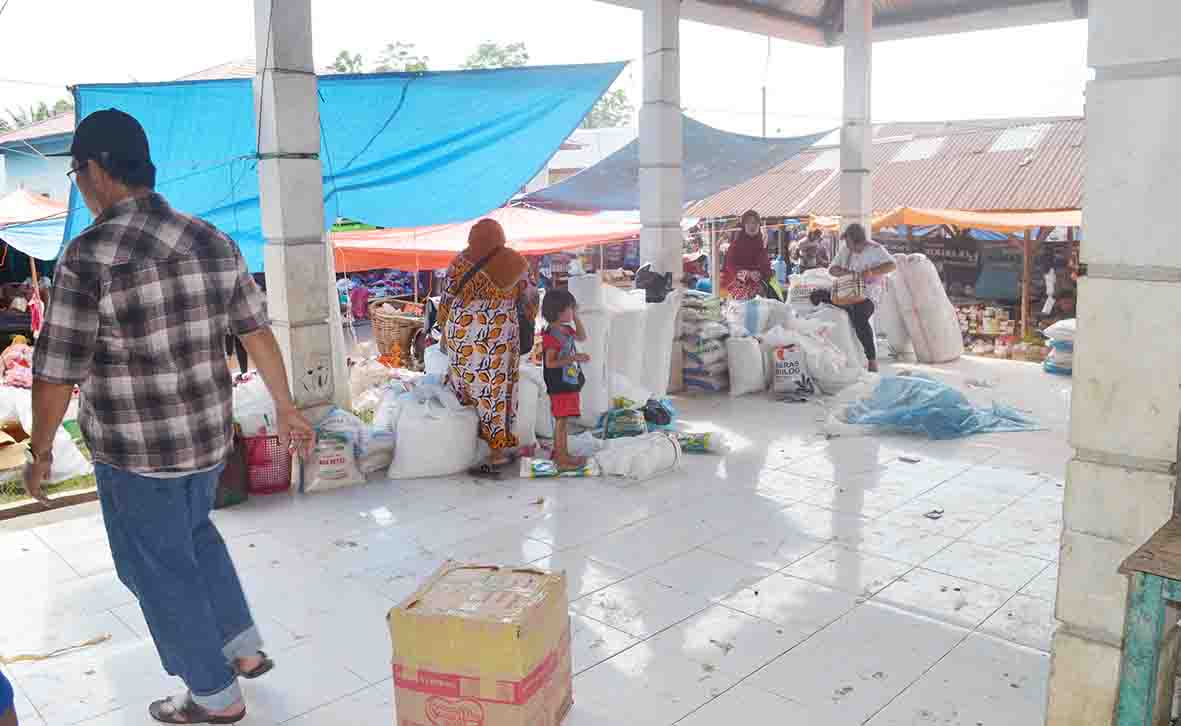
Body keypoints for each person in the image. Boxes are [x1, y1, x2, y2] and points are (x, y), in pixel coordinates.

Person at [25, 109, 315, 725]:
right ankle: (240, 649)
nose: (79, 183)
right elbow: (256, 331)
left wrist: (42, 449)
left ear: (98, 169)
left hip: (137, 455)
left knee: (154, 568)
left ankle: (212, 694)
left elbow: (55, 372)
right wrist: (286, 405)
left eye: (76, 171)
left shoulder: (89, 257)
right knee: (193, 536)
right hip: (208, 439)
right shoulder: (210, 239)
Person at [438, 218, 537, 478]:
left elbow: (446, 301)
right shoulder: (515, 262)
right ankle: (496, 451)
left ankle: (466, 447)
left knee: (466, 387)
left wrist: (446, 333)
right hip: (496, 336)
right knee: (495, 391)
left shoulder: (458, 263)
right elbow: (530, 299)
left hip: (462, 334)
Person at [829, 222, 897, 373]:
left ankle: (871, 360)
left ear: (857, 240)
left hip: (869, 295)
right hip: (847, 292)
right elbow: (832, 269)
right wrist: (846, 272)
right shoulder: (845, 250)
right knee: (818, 296)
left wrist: (872, 272)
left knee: (859, 316)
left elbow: (892, 265)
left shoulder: (875, 249)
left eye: (848, 241)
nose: (846, 245)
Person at [540, 289, 588, 470]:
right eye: (570, 309)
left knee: (564, 420)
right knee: (561, 421)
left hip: (567, 381)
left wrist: (576, 317)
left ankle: (564, 454)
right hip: (558, 383)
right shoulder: (551, 335)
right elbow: (550, 363)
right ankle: (561, 459)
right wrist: (574, 359)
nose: (572, 311)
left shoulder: (566, 330)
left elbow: (582, 337)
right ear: (558, 311)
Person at [721, 209, 772, 301]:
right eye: (749, 223)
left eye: (755, 223)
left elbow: (766, 267)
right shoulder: (736, 246)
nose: (752, 226)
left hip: (758, 287)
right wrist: (748, 274)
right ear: (744, 226)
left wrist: (760, 274)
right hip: (736, 286)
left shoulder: (761, 244)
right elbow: (730, 267)